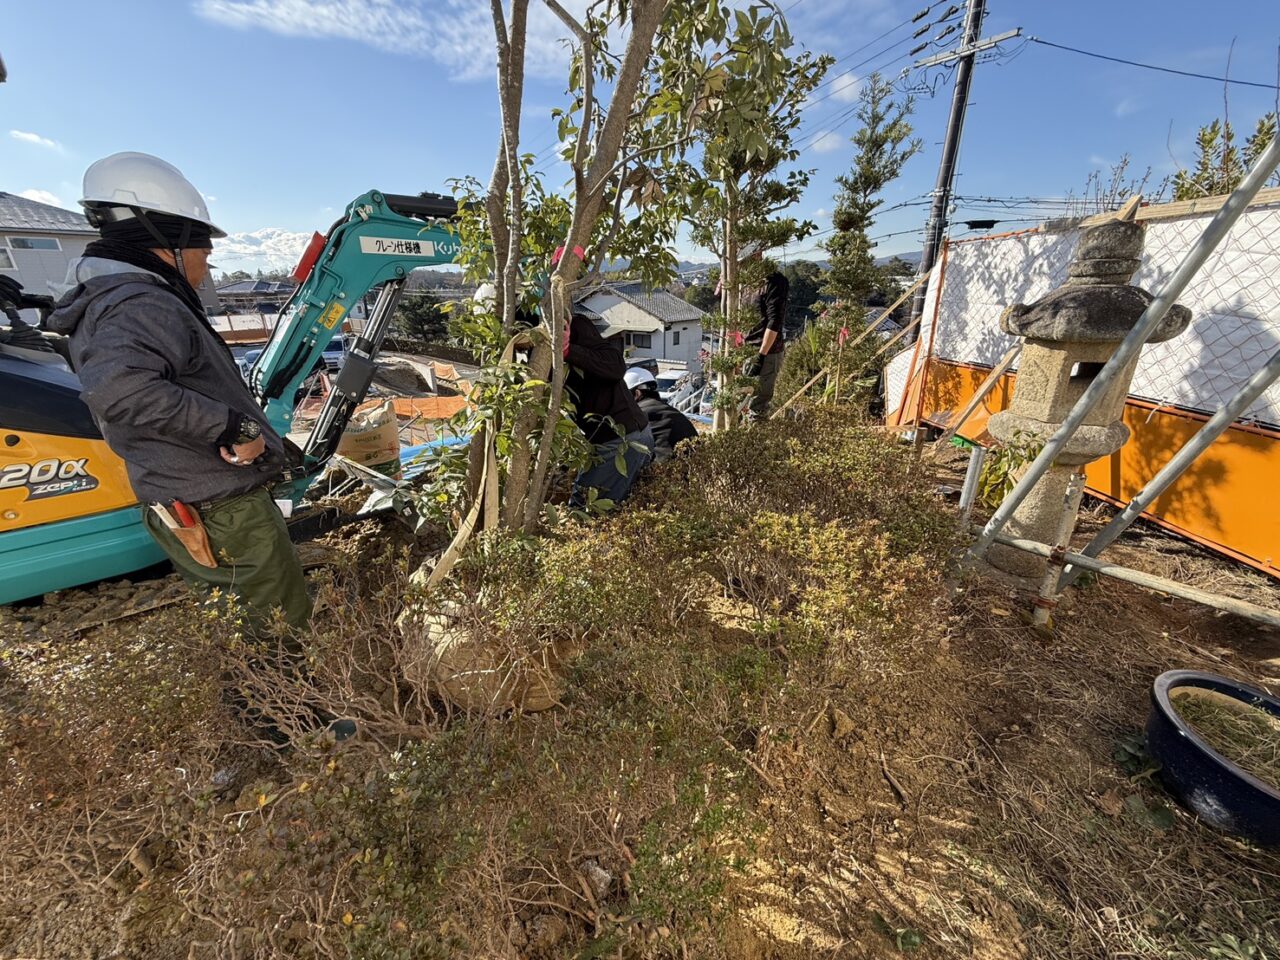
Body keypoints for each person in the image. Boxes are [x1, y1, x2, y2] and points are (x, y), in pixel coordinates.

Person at [46, 152, 313, 634]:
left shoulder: (103, 301)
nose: (204, 269)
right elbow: (121, 391)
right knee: (278, 630)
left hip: (184, 499)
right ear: (170, 244)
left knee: (238, 625)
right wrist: (235, 425)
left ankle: (258, 706)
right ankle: (298, 711)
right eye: (204, 255)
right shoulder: (144, 303)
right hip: (221, 506)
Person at [565, 312, 654, 505]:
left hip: (621, 438)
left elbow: (615, 366)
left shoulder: (573, 325)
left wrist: (568, 350)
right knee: (621, 509)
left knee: (583, 509)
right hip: (615, 437)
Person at [740, 242, 790, 421]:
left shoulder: (775, 281)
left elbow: (774, 321)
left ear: (757, 255)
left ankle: (756, 445)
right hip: (748, 348)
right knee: (741, 398)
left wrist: (761, 356)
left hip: (767, 352)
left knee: (758, 404)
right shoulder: (747, 282)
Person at [624, 367, 697, 464]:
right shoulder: (671, 410)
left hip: (662, 471)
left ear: (637, 393)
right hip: (695, 470)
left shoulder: (639, 414)